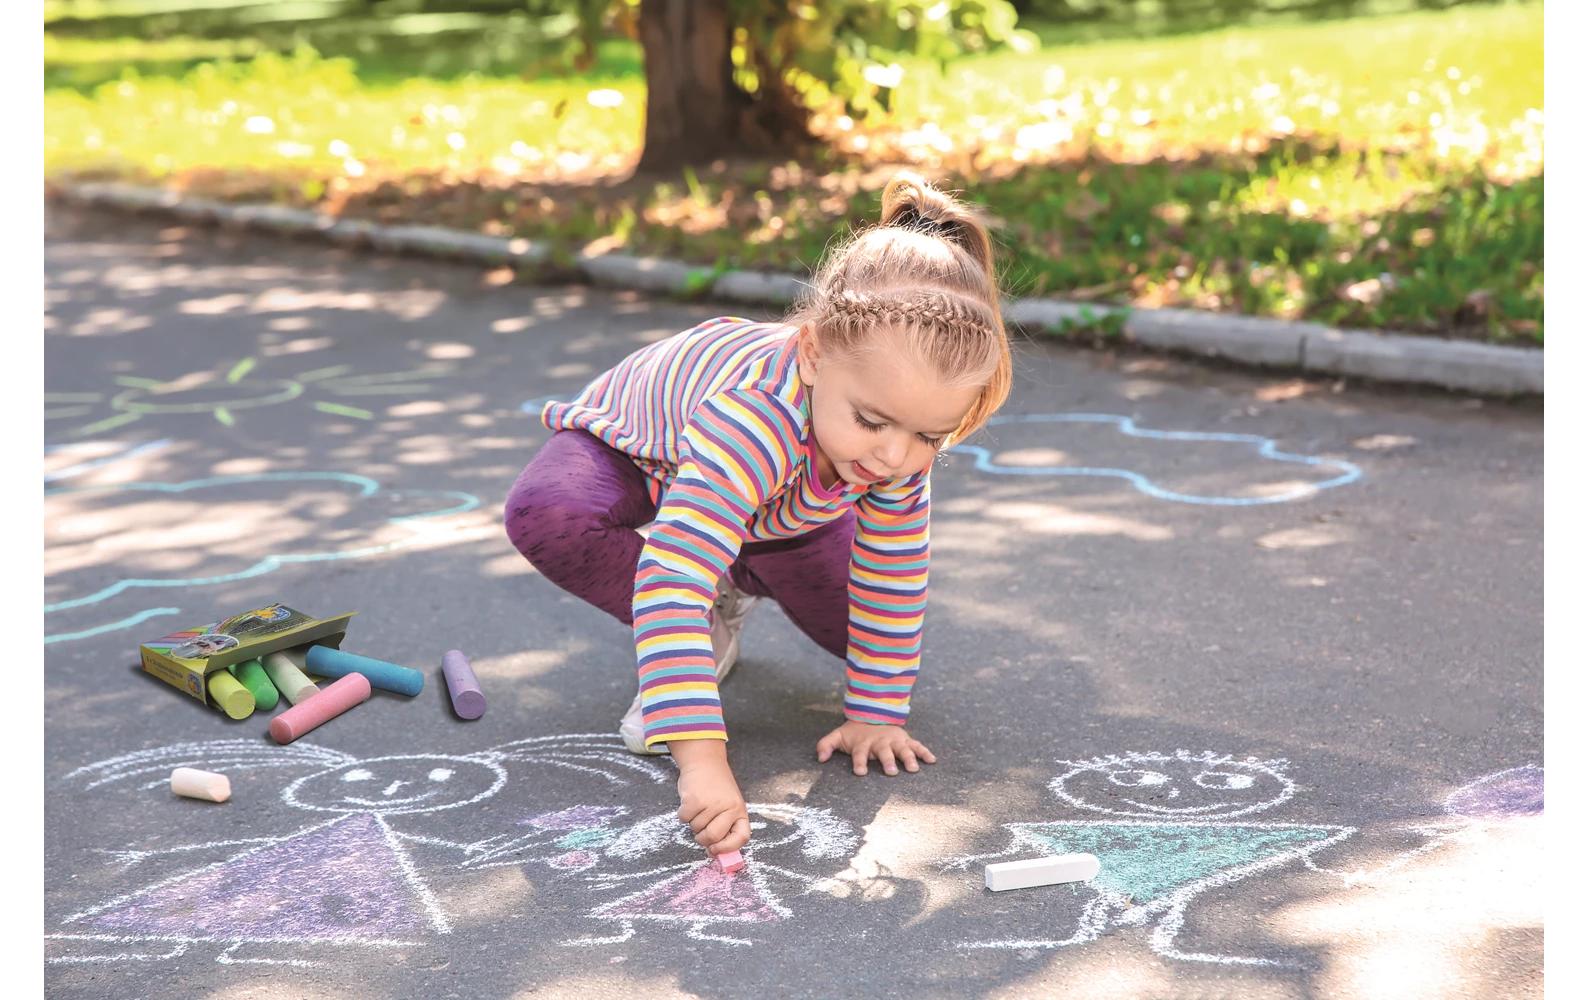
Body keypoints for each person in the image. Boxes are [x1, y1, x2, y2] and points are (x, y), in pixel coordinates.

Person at [505, 171, 1012, 860]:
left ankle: (737, 564)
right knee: (551, 514)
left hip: (784, 501)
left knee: (855, 632)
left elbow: (894, 578)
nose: (895, 455)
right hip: (642, 452)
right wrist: (704, 763)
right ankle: (717, 603)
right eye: (872, 420)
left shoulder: (888, 448)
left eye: (929, 437)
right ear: (812, 354)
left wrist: (874, 715)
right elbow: (670, 582)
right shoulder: (755, 418)